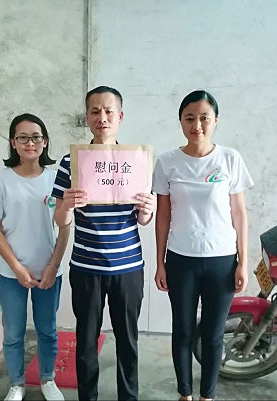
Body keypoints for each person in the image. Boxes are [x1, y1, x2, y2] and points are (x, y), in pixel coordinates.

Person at [52, 86, 156, 401]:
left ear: (120, 117)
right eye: (95, 111)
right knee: (85, 342)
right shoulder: (71, 162)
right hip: (86, 267)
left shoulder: (135, 161)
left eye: (109, 111)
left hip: (128, 267)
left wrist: (148, 210)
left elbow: (142, 220)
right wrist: (67, 205)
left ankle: (129, 397)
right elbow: (60, 219)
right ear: (87, 117)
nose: (102, 117)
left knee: (128, 341)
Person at [152, 90, 254, 401]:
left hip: (222, 262)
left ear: (215, 121)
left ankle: (207, 396)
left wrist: (243, 262)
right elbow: (163, 216)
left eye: (204, 118)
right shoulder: (167, 162)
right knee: (183, 332)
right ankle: (185, 394)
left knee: (212, 335)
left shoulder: (230, 159)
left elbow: (239, 214)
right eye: (190, 118)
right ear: (181, 122)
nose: (197, 125)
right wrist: (160, 263)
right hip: (181, 260)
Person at [0, 113, 70, 401]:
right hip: (11, 273)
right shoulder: (1, 179)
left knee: (48, 330)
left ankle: (47, 379)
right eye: (23, 137)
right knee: (13, 332)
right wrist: (17, 267)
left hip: (48, 272)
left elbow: (65, 226)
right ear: (13, 142)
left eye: (36, 137)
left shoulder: (56, 179)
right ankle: (17, 384)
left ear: (45, 141)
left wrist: (53, 265)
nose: (30, 143)